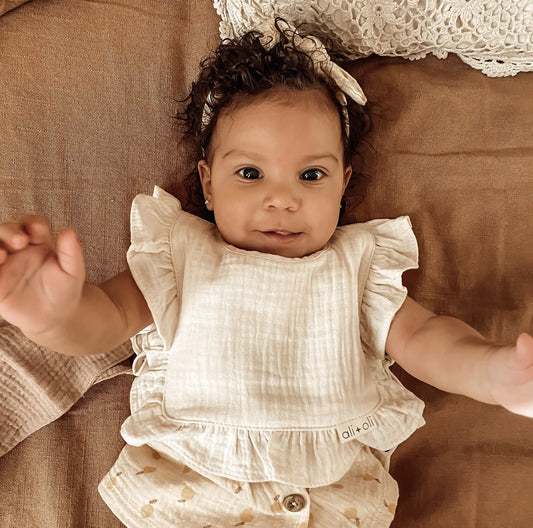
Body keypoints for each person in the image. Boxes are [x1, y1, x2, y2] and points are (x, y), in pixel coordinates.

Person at [0, 19, 531, 528]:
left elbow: (426, 337)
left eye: (311, 174)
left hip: (330, 502)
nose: (282, 198)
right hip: (191, 494)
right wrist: (56, 316)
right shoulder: (177, 258)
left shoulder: (357, 270)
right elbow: (108, 319)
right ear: (208, 184)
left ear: (343, 186)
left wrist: (492, 373)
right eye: (250, 173)